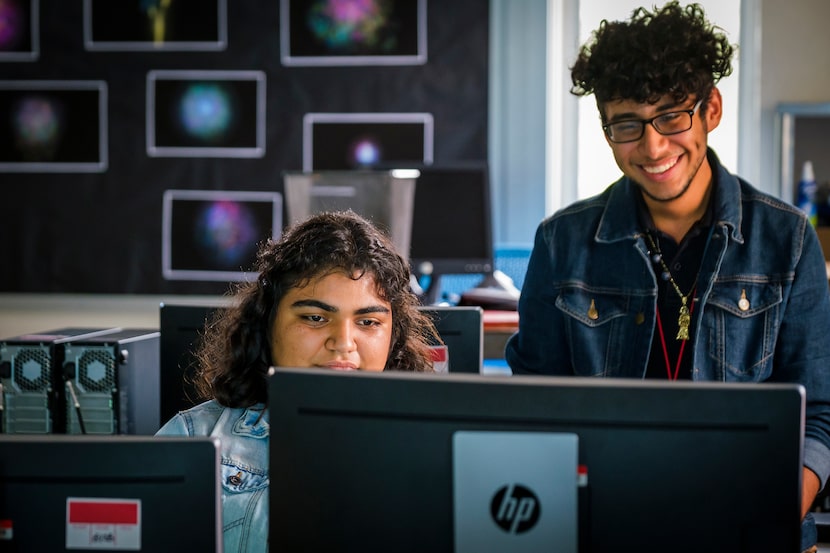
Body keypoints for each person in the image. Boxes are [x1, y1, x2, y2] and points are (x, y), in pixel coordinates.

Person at [504, 3, 830, 551]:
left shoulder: (789, 241)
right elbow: (534, 406)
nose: (652, 148)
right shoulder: (562, 243)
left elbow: (819, 415)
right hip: (606, 525)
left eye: (672, 117)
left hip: (746, 529)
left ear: (711, 109)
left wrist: (767, 511)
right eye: (627, 124)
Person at [156, 210, 441, 553]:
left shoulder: (435, 451)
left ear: (393, 336)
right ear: (268, 323)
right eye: (316, 318)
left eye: (367, 322)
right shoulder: (195, 440)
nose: (343, 342)